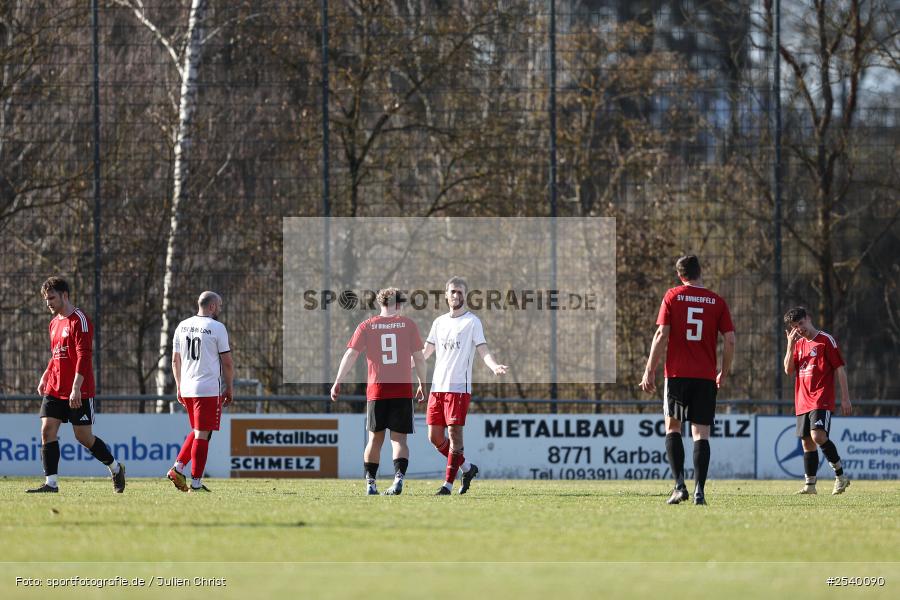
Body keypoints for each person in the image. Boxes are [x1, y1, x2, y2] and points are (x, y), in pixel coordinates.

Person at [639, 256, 735, 506]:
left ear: (680, 275)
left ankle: (679, 486)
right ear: (700, 272)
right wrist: (724, 372)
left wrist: (649, 369)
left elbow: (662, 334)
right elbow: (730, 340)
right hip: (705, 378)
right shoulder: (717, 301)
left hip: (677, 375)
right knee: (701, 434)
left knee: (673, 428)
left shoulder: (672, 296)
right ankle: (699, 491)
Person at [28, 277, 126, 493]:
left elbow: (84, 356)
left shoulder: (80, 320)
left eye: (51, 298)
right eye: (46, 299)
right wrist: (46, 374)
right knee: (47, 430)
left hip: (79, 390)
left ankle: (115, 467)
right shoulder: (54, 323)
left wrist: (75, 388)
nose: (48, 303)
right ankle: (51, 483)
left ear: (65, 295)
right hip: (55, 387)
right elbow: (56, 354)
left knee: (83, 436)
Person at [331, 288, 427, 495]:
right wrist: (422, 383)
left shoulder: (367, 325)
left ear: (380, 303)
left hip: (377, 390)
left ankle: (371, 484)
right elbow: (419, 358)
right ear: (398, 304)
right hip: (401, 390)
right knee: (399, 440)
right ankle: (398, 479)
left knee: (374, 440)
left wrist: (338, 380)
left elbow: (350, 354)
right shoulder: (408, 325)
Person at [423, 276, 507, 495]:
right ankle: (467, 468)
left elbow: (483, 349)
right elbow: (425, 353)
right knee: (434, 437)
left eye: (460, 292)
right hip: (437, 388)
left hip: (459, 388)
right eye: (452, 291)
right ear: (446, 295)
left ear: (465, 296)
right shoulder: (439, 322)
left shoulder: (472, 322)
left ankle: (447, 485)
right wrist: (405, 363)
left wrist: (493, 365)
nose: (456, 295)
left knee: (454, 434)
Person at [166, 291, 233, 493]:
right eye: (219, 305)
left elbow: (175, 360)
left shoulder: (182, 326)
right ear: (211, 306)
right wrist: (230, 387)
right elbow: (227, 363)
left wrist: (179, 386)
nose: (220, 308)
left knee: (199, 431)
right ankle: (195, 483)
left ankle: (178, 468)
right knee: (203, 435)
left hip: (187, 387)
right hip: (207, 389)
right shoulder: (217, 327)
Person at [783, 306, 852, 495]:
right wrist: (789, 345)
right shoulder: (798, 345)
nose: (799, 328)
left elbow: (840, 369)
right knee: (807, 442)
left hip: (821, 398)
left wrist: (845, 398)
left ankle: (840, 476)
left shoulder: (825, 340)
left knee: (818, 436)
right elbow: (788, 370)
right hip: (802, 400)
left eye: (801, 323)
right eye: (795, 326)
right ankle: (810, 485)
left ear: (809, 318)